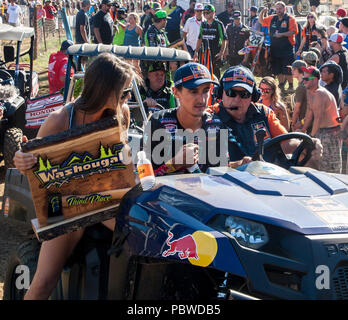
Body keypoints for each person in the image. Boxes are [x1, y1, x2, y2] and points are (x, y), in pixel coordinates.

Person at [13, 53, 137, 300]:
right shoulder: (60, 119)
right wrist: (21, 160)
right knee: (43, 281)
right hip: (66, 203)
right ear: (103, 90)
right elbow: (31, 162)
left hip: (103, 199)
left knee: (139, 239)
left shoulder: (121, 111)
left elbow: (121, 159)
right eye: (124, 92)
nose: (128, 98)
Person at [143, 62, 250, 176]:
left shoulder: (216, 125)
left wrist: (239, 164)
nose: (201, 99)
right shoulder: (158, 122)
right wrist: (174, 164)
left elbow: (218, 172)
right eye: (193, 91)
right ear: (175, 92)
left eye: (206, 91)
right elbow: (141, 179)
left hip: (205, 192)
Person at [211, 65, 322, 165]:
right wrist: (237, 165)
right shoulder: (209, 118)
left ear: (253, 97)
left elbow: (287, 143)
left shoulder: (264, 113)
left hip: (266, 179)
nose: (237, 99)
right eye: (231, 93)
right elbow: (204, 166)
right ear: (220, 93)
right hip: (227, 183)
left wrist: (306, 146)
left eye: (244, 94)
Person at [300, 66, 342, 173]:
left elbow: (318, 118)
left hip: (331, 133)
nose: (303, 81)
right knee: (319, 165)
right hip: (322, 131)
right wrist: (303, 129)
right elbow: (310, 111)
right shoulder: (309, 91)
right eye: (303, 78)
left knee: (331, 169)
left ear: (315, 79)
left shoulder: (320, 93)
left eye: (306, 79)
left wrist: (312, 138)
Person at [259, 1, 298, 91]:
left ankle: (291, 86)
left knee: (287, 68)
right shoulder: (272, 18)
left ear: (284, 9)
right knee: (277, 68)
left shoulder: (290, 19)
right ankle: (281, 85)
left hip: (287, 48)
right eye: (277, 9)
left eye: (280, 8)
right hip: (275, 47)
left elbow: (293, 31)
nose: (278, 10)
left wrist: (281, 34)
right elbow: (261, 21)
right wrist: (262, 12)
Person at [194, 4, 227, 79]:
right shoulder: (203, 24)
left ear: (213, 13)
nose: (205, 14)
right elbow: (199, 39)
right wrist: (196, 52)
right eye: (204, 13)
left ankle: (216, 88)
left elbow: (224, 39)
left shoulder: (218, 24)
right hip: (205, 52)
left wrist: (221, 53)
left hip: (215, 52)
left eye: (207, 12)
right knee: (204, 71)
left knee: (215, 73)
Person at [291, 60, 308, 132]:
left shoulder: (301, 87)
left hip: (303, 123)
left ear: (300, 70)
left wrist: (293, 123)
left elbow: (297, 108)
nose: (292, 71)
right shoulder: (306, 83)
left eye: (294, 69)